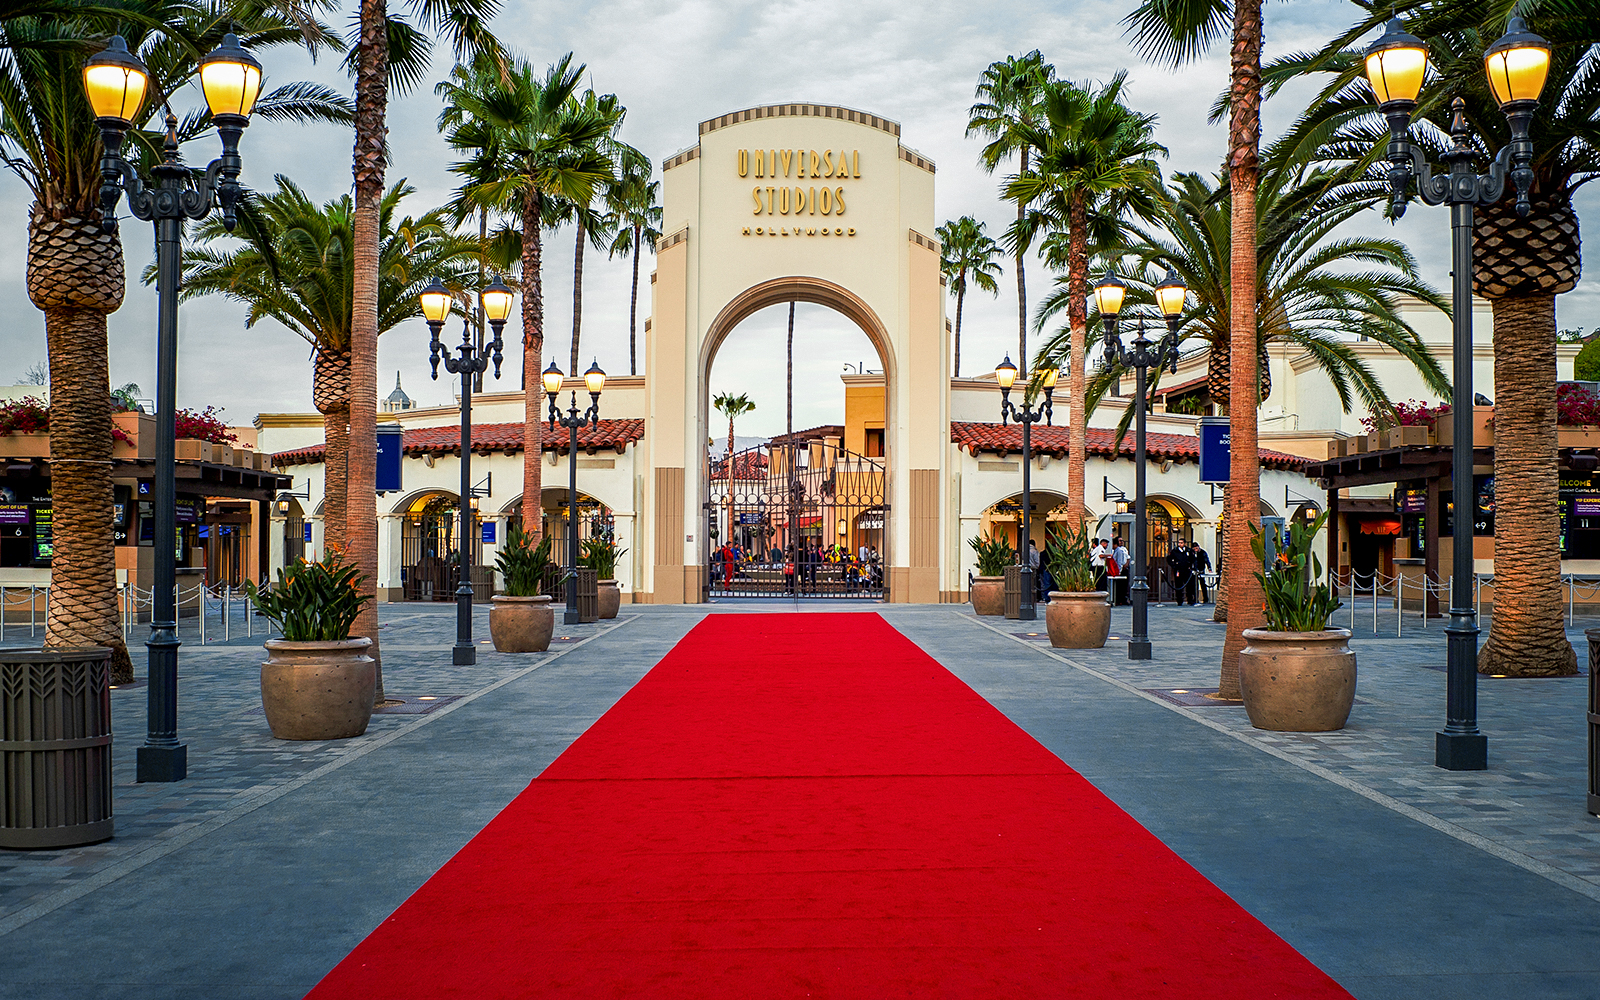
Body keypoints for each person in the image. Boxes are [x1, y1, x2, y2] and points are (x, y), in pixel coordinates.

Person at [1169, 539, 1193, 606]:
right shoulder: (1175, 551)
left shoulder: (1189, 550)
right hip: (1178, 570)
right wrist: (1174, 566)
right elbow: (1169, 559)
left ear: (1185, 543)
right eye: (1179, 543)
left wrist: (1191, 566)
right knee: (1179, 585)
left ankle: (1190, 600)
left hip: (1187, 570)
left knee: (1189, 585)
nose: (1180, 544)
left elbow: (1193, 559)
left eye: (1181, 543)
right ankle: (1179, 601)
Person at [1111, 536, 1131, 605]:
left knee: (1124, 585)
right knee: (1119, 585)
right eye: (1120, 540)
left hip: (1123, 568)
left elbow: (1127, 558)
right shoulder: (1115, 550)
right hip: (1119, 569)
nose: (1121, 542)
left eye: (1122, 540)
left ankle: (1123, 599)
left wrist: (1126, 564)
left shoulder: (1124, 549)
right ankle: (1119, 599)